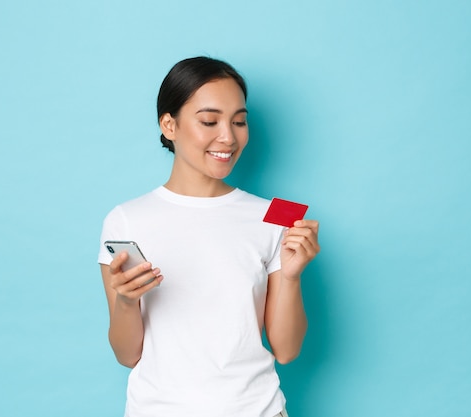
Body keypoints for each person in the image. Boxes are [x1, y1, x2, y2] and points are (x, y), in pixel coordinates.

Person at [98, 56, 320, 417]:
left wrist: (292, 276)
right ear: (169, 125)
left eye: (239, 121)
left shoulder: (272, 218)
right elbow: (127, 355)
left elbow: (287, 350)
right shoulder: (126, 220)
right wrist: (126, 302)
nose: (228, 137)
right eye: (209, 120)